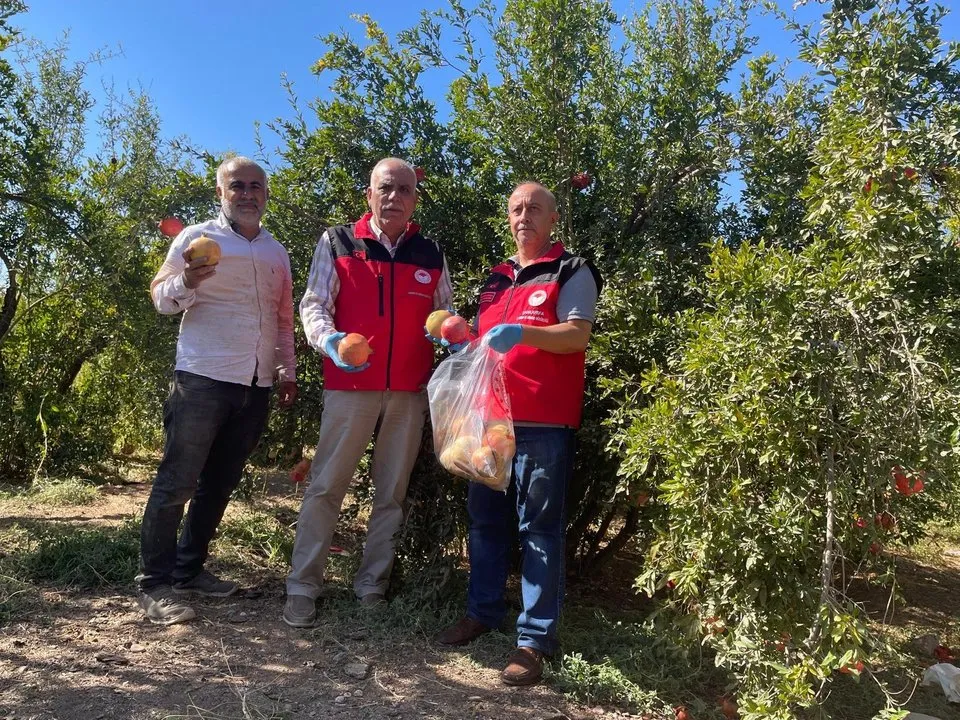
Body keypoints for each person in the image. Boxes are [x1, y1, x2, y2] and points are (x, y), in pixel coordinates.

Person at [434, 181, 602, 686]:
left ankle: (533, 641)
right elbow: (487, 343)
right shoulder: (497, 277)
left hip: (544, 419)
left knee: (539, 529)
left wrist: (524, 333)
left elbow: (577, 333)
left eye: (534, 208)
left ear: (553, 219)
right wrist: (460, 340)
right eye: (516, 208)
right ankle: (483, 611)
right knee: (484, 522)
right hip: (488, 421)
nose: (523, 215)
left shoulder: (570, 270)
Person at [283, 157, 453, 627]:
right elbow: (315, 303)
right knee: (325, 485)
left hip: (407, 393)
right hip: (350, 386)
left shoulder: (430, 253)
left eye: (404, 190)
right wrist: (330, 340)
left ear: (415, 199)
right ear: (369, 194)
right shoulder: (337, 241)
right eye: (386, 188)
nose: (394, 197)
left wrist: (448, 333)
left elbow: (445, 314)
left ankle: (371, 583)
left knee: (391, 493)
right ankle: (302, 585)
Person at [138, 156, 297, 625]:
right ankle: (154, 585)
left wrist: (286, 370)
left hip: (256, 384)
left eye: (256, 186)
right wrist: (187, 279)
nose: (247, 193)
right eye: (237, 185)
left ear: (266, 194)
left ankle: (188, 572)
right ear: (220, 192)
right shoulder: (195, 240)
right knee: (176, 483)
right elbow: (160, 298)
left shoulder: (276, 252)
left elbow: (283, 317)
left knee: (219, 484)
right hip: (203, 379)